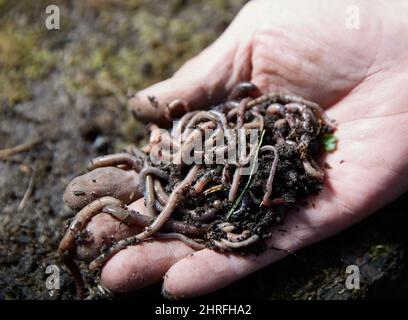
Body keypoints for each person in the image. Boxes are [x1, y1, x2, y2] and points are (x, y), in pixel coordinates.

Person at [64, 0, 408, 298]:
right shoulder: (198, 146)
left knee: (240, 183)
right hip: (196, 182)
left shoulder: (273, 141)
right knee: (177, 205)